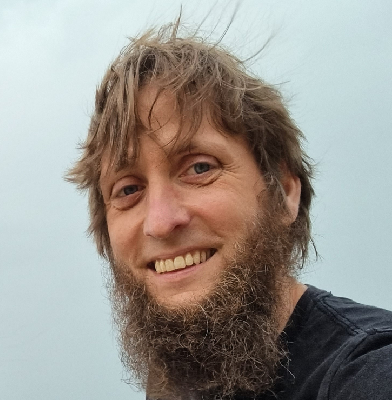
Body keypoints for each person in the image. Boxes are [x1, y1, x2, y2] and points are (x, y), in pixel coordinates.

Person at [66, 19, 392, 400]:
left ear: (284, 192)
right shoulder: (181, 383)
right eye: (129, 189)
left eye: (199, 168)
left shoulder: (366, 370)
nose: (160, 222)